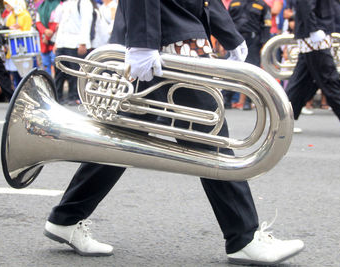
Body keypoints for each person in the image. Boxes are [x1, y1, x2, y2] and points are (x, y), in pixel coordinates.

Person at [43, 0, 305, 265]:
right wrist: (143, 42)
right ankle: (244, 238)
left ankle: (67, 217)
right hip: (168, 40)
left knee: (125, 140)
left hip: (172, 37)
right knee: (210, 140)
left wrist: (229, 34)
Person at [285, 0, 340, 137]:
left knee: (302, 81)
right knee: (329, 78)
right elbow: (306, 4)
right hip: (314, 34)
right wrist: (313, 29)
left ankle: (283, 120)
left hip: (316, 32)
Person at [228, 0, 271, 110]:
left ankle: (247, 101)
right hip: (235, 39)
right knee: (229, 69)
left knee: (250, 71)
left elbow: (266, 26)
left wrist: (264, 44)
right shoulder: (234, 3)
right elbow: (226, 22)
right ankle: (226, 100)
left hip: (253, 40)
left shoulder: (262, 5)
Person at [53, 0, 93, 105]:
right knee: (59, 71)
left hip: (75, 42)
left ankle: (74, 96)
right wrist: (56, 42)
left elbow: (86, 23)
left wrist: (83, 42)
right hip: (62, 42)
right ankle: (58, 96)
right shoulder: (65, 4)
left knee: (74, 72)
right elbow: (61, 25)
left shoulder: (84, 3)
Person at [36, 0, 61, 76]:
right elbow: (38, 22)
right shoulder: (40, 6)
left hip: (55, 42)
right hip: (43, 42)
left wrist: (47, 37)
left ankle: (56, 86)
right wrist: (44, 31)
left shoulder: (59, 5)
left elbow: (57, 23)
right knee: (46, 66)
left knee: (57, 66)